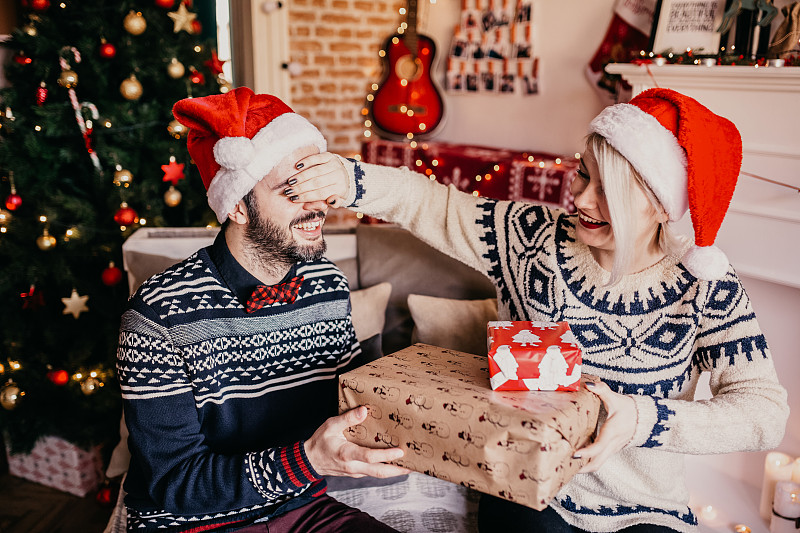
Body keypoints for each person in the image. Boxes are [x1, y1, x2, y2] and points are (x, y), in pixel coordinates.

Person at [290, 88, 789, 532]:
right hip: (529, 490)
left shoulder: (704, 286)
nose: (582, 200)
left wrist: (641, 419)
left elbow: (763, 413)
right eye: (583, 175)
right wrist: (352, 179)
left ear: (661, 205)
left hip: (645, 509)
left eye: (607, 191)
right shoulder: (533, 238)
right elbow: (435, 205)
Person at [116, 87, 409, 533]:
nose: (318, 207)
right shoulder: (157, 316)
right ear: (237, 206)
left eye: (319, 186)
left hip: (301, 509)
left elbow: (351, 403)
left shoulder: (326, 284)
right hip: (188, 523)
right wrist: (307, 459)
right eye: (294, 190)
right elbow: (175, 483)